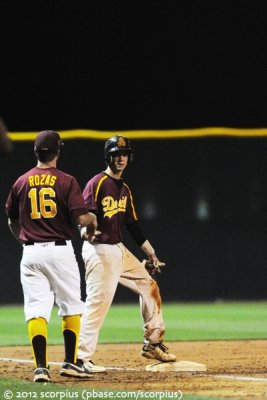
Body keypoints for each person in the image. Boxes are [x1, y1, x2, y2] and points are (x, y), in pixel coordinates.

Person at [77, 135, 176, 373]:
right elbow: (84, 215)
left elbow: (132, 225)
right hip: (99, 249)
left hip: (118, 249)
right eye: (115, 154)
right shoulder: (97, 183)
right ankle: (79, 358)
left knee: (148, 284)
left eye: (124, 154)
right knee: (98, 303)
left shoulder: (124, 189)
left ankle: (153, 343)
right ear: (108, 156)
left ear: (129, 157)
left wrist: (150, 253)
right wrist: (83, 231)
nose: (120, 158)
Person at [5, 130, 96, 383]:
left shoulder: (21, 182)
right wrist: (93, 219)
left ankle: (41, 368)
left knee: (36, 311)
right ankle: (69, 363)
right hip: (59, 250)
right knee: (71, 307)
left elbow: (12, 219)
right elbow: (81, 218)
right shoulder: (66, 181)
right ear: (58, 150)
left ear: (36, 151)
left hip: (30, 252)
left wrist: (25, 240)